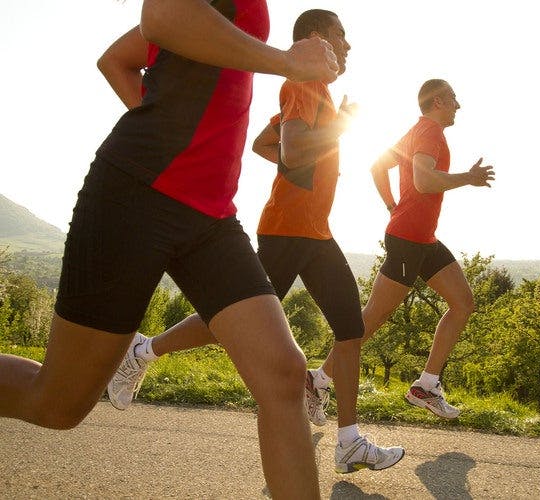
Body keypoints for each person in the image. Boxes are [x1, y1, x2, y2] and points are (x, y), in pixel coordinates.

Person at [0, 1, 339, 498]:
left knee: (283, 374)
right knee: (58, 405)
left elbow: (125, 53)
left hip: (211, 215)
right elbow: (160, 17)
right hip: (137, 196)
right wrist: (286, 61)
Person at [106, 9, 405, 475]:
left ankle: (349, 441)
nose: (347, 45)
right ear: (315, 38)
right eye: (340, 35)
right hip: (287, 230)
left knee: (350, 329)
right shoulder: (303, 85)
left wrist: (312, 150)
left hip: (315, 231)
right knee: (225, 321)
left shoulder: (316, 93)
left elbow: (266, 145)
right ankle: (143, 350)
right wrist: (341, 126)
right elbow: (292, 148)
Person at [310, 79, 495, 420]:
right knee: (371, 320)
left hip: (422, 238)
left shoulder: (418, 131)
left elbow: (378, 166)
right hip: (409, 240)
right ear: (438, 100)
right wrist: (466, 178)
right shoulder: (429, 132)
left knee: (463, 302)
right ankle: (318, 381)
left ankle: (426, 385)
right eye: (453, 98)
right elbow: (424, 181)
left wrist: (393, 204)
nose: (458, 105)